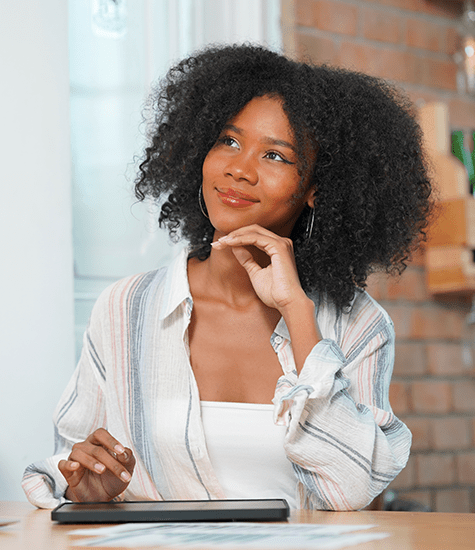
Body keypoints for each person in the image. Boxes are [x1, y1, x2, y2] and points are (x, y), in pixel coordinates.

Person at [22, 44, 432, 511]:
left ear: (316, 190)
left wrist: (298, 312)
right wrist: (84, 484)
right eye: (229, 141)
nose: (239, 169)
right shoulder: (126, 308)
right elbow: (68, 462)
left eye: (275, 156)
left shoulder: (359, 326)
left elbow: (353, 491)